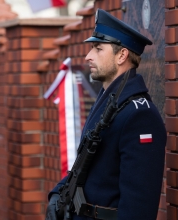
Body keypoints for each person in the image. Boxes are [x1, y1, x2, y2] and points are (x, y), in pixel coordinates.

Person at [46, 9, 167, 220]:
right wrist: (58, 192)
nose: (88, 56)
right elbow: (87, 166)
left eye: (98, 49)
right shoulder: (109, 101)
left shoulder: (140, 116)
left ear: (122, 55)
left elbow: (139, 208)